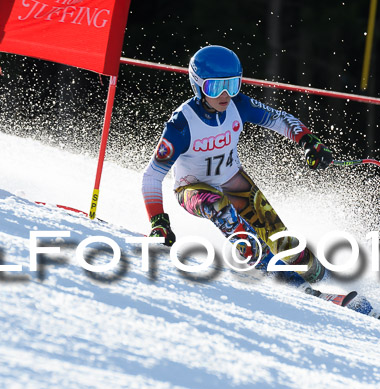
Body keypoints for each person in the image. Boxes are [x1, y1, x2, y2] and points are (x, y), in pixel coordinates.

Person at [141, 45, 334, 283]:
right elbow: (151, 176)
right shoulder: (181, 124)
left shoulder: (238, 105)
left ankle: (322, 279)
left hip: (233, 181)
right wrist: (159, 222)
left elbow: (279, 119)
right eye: (215, 87)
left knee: (280, 237)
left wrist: (307, 140)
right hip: (192, 190)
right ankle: (275, 273)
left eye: (232, 85)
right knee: (220, 207)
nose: (225, 95)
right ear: (198, 85)